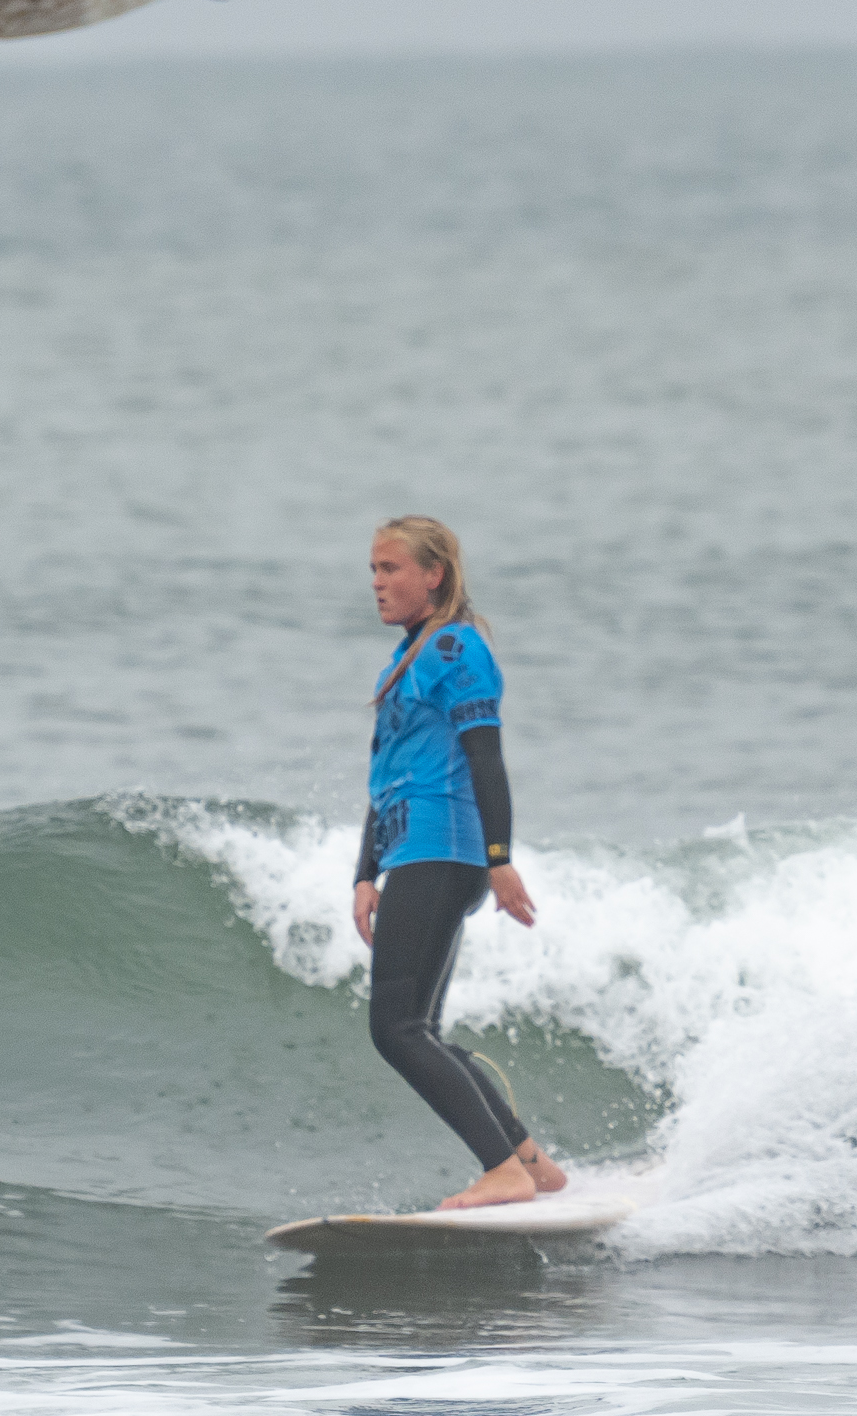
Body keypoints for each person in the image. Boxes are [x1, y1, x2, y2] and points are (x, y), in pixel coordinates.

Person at [351, 516, 567, 1210]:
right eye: (374, 569)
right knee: (420, 1031)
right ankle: (531, 1163)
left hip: (443, 851)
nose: (377, 583)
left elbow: (486, 759)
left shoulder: (457, 650)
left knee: (397, 1029)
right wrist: (365, 872)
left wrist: (500, 860)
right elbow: (388, 774)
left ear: (433, 575)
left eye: (391, 569)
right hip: (414, 851)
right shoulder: (407, 657)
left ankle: (502, 1169)